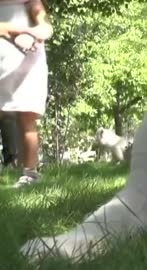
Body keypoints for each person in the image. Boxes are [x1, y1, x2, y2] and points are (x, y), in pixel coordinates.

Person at [0, 0, 52, 187]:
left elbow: (41, 18)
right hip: (4, 54)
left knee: (26, 117)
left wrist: (41, 30)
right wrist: (13, 31)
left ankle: (30, 174)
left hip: (26, 60)